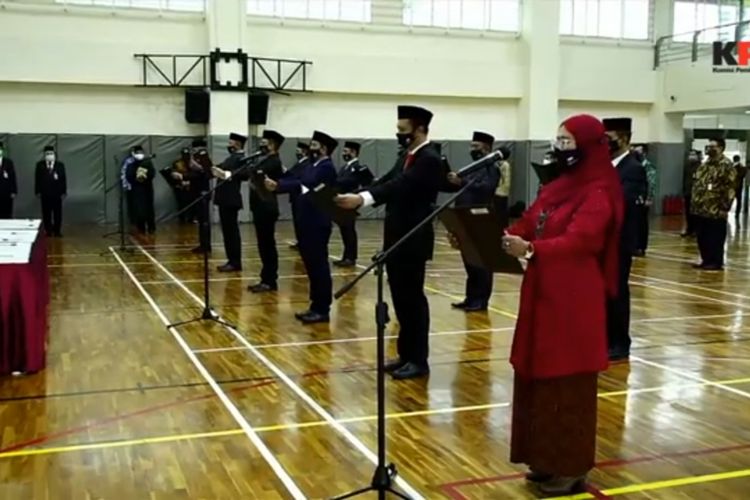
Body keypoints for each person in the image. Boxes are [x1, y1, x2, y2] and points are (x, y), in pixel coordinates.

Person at [501, 114, 624, 496]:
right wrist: (503, 235)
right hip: (543, 292)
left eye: (567, 141)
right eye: (557, 140)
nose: (560, 148)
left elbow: (583, 240)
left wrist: (533, 249)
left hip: (574, 299)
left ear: (587, 145)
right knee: (539, 377)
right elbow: (530, 220)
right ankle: (543, 458)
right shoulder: (559, 186)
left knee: (568, 383)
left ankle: (571, 467)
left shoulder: (600, 189)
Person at [336, 105, 442, 380]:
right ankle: (405, 354)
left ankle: (419, 360)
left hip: (413, 239)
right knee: (400, 301)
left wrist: (363, 200)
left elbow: (401, 186)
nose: (399, 136)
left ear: (420, 129)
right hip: (396, 238)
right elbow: (387, 180)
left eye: (403, 131)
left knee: (413, 301)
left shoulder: (429, 158)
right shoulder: (407, 155)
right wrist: (358, 193)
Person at [266, 131, 338, 324]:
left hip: (317, 222)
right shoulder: (310, 165)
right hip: (305, 220)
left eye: (315, 145)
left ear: (324, 148)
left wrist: (279, 186)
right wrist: (278, 183)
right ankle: (315, 306)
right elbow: (295, 178)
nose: (311, 148)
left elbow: (306, 184)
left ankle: (322, 309)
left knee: (319, 266)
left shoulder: (326, 167)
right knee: (311, 266)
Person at [603, 117, 646, 362]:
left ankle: (620, 342)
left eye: (609, 139)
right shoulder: (603, 166)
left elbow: (624, 202)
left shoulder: (633, 168)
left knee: (616, 290)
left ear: (625, 139)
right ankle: (604, 338)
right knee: (601, 292)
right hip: (600, 239)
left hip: (619, 241)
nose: (605, 144)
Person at [444, 131, 500, 312]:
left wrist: (462, 181)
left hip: (481, 219)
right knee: (470, 261)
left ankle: (481, 300)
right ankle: (470, 297)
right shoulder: (474, 167)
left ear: (487, 148)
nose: (472, 150)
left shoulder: (492, 168)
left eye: (476, 147)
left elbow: (486, 188)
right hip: (464, 217)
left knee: (481, 263)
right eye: (472, 146)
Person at [247, 130, 285, 293]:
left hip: (267, 206)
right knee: (263, 244)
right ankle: (265, 278)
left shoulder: (274, 161)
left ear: (272, 145)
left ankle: (270, 280)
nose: (262, 145)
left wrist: (252, 170)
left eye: (265, 143)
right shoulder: (263, 159)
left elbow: (257, 173)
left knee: (268, 244)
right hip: (259, 206)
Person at [691, 138, 736, 271]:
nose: (709, 149)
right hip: (701, 208)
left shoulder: (726, 165)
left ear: (721, 148)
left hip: (715, 208)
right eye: (708, 146)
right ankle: (706, 260)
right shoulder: (705, 164)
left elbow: (730, 188)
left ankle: (715, 261)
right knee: (702, 237)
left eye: (712, 146)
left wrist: (724, 207)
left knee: (714, 237)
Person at [212, 133, 250, 272]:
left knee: (231, 232)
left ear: (238, 144)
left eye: (231, 142)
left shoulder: (241, 158)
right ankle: (231, 260)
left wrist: (225, 174)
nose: (228, 144)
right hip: (224, 198)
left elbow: (245, 174)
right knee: (227, 232)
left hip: (231, 199)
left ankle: (235, 262)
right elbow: (219, 167)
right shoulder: (231, 158)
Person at [334, 141, 374, 267]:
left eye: (346, 152)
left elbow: (370, 184)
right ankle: (346, 256)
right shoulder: (344, 168)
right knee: (344, 231)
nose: (344, 154)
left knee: (349, 230)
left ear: (354, 152)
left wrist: (356, 194)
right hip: (341, 203)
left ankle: (351, 257)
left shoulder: (359, 168)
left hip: (351, 203)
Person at [186, 139, 212, 253]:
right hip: (196, 191)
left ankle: (206, 245)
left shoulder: (203, 156)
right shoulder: (195, 157)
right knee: (201, 220)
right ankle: (203, 243)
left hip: (203, 192)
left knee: (204, 220)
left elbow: (207, 173)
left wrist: (199, 168)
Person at [34, 145, 67, 237]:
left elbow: (63, 179)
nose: (49, 155)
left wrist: (64, 191)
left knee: (57, 213)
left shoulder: (60, 165)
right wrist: (37, 191)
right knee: (46, 213)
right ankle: (48, 230)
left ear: (54, 154)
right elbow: (37, 179)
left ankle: (57, 231)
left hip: (57, 194)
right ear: (44, 155)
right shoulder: (40, 165)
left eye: (51, 153)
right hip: (45, 194)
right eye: (47, 154)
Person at [125, 145, 156, 234]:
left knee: (149, 209)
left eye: (141, 152)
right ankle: (141, 228)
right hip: (137, 190)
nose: (139, 154)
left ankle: (151, 228)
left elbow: (152, 174)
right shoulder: (130, 165)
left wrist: (145, 177)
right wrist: (137, 179)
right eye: (137, 153)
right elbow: (129, 177)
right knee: (139, 210)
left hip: (147, 189)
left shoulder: (148, 163)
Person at [633, 143, 656, 256]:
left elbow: (651, 182)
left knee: (642, 224)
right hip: (635, 198)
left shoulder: (647, 165)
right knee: (634, 223)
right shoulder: (634, 165)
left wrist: (649, 197)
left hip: (644, 198)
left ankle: (641, 246)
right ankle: (634, 245)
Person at [286, 142, 310, 251]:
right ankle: (300, 241)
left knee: (301, 221)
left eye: (298, 151)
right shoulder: (298, 163)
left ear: (304, 151)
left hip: (301, 196)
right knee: (297, 220)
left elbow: (296, 177)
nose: (297, 153)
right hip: (295, 196)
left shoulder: (306, 164)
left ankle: (304, 241)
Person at [162, 148, 194, 224]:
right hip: (180, 187)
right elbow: (173, 175)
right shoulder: (177, 163)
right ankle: (182, 219)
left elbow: (196, 174)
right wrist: (179, 182)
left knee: (192, 204)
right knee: (181, 204)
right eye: (184, 155)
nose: (186, 157)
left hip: (191, 187)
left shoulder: (193, 163)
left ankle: (191, 218)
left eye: (187, 155)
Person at [682, 149, 702, 237]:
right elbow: (684, 179)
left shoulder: (700, 167)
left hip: (697, 193)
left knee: (696, 213)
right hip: (688, 192)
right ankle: (689, 229)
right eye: (690, 155)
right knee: (688, 212)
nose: (691, 156)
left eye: (693, 155)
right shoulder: (687, 166)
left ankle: (696, 230)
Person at [493, 147, 512, 220]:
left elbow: (505, 179)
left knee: (501, 212)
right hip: (498, 192)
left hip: (501, 192)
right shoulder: (498, 164)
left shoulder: (505, 165)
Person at [733, 154, 747, 219]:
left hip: (737, 187)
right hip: (734, 187)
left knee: (738, 201)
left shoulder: (741, 167)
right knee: (735, 201)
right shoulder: (730, 166)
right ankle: (736, 214)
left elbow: (742, 175)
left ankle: (737, 214)